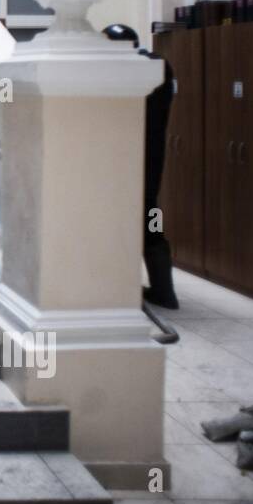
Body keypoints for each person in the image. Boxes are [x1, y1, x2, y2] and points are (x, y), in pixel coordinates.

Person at [104, 23, 179, 310]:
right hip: (148, 163)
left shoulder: (145, 69)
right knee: (150, 221)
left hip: (131, 163)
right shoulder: (159, 67)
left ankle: (130, 291)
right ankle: (163, 290)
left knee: (137, 223)